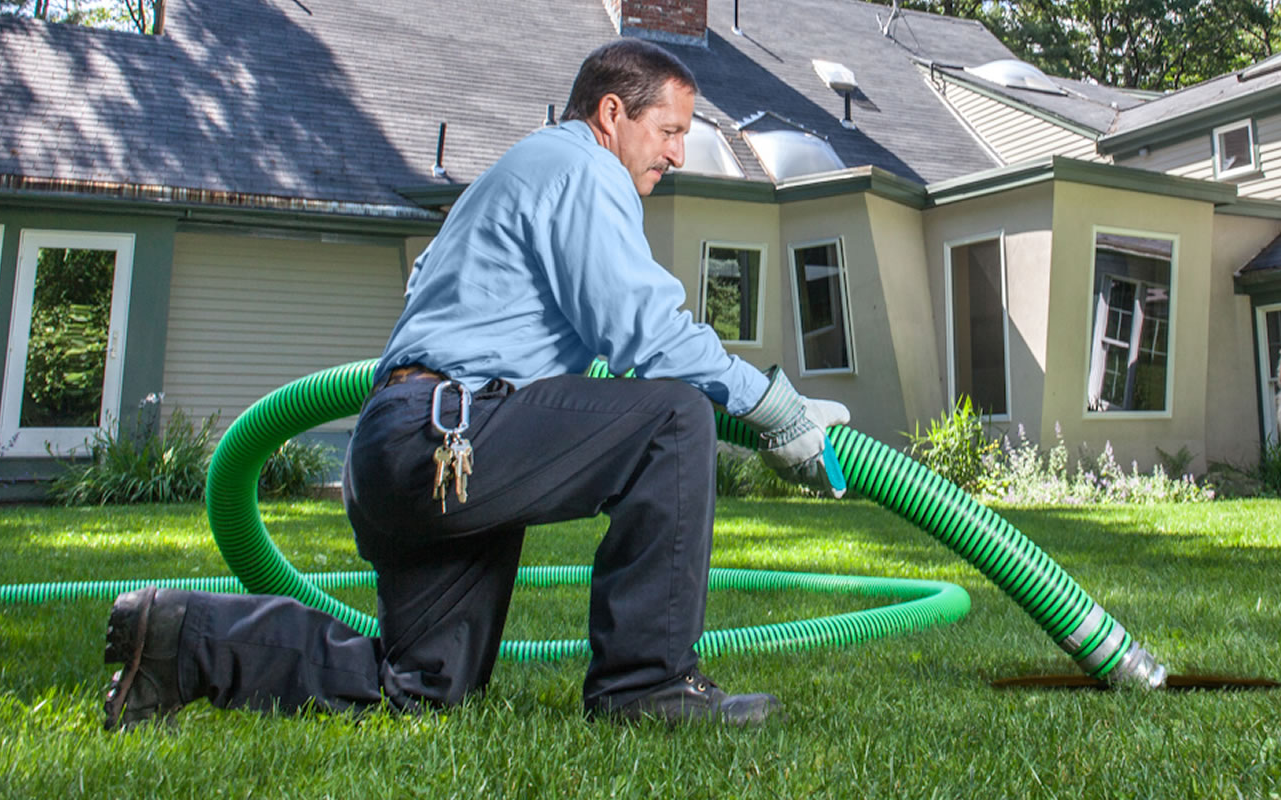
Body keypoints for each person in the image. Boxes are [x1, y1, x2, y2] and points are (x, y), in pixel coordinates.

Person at [99, 39, 849, 731]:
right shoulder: (582, 167)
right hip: (448, 434)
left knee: (423, 686)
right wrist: (774, 406)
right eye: (671, 130)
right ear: (612, 113)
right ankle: (646, 685)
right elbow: (645, 333)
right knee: (675, 418)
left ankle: (176, 636)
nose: (680, 154)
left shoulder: (518, 173)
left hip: (407, 444)